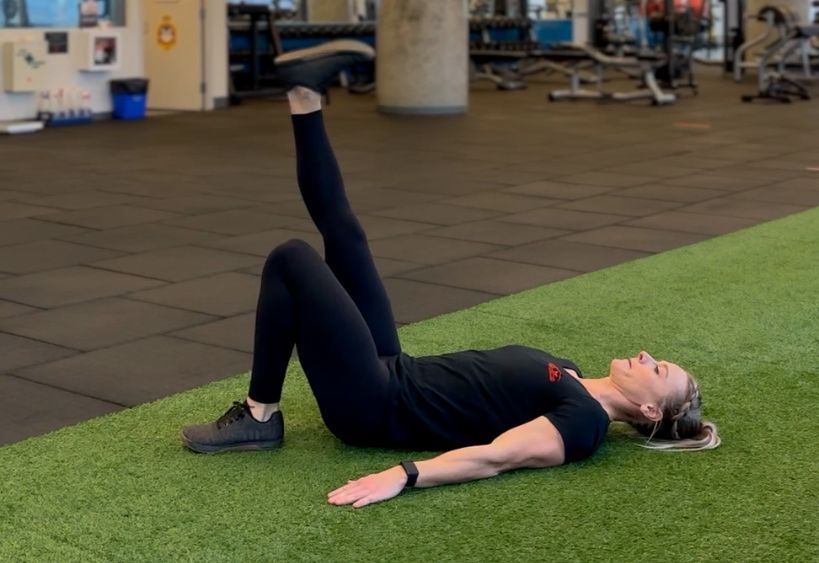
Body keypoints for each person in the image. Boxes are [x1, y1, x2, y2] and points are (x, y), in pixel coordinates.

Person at [181, 41, 720, 509]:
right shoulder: (570, 371)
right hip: (393, 366)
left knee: (291, 258)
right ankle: (304, 93)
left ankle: (260, 414)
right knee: (345, 236)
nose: (647, 356)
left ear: (649, 409)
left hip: (373, 405)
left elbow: (496, 458)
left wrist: (405, 474)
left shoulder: (583, 426)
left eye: (658, 369)